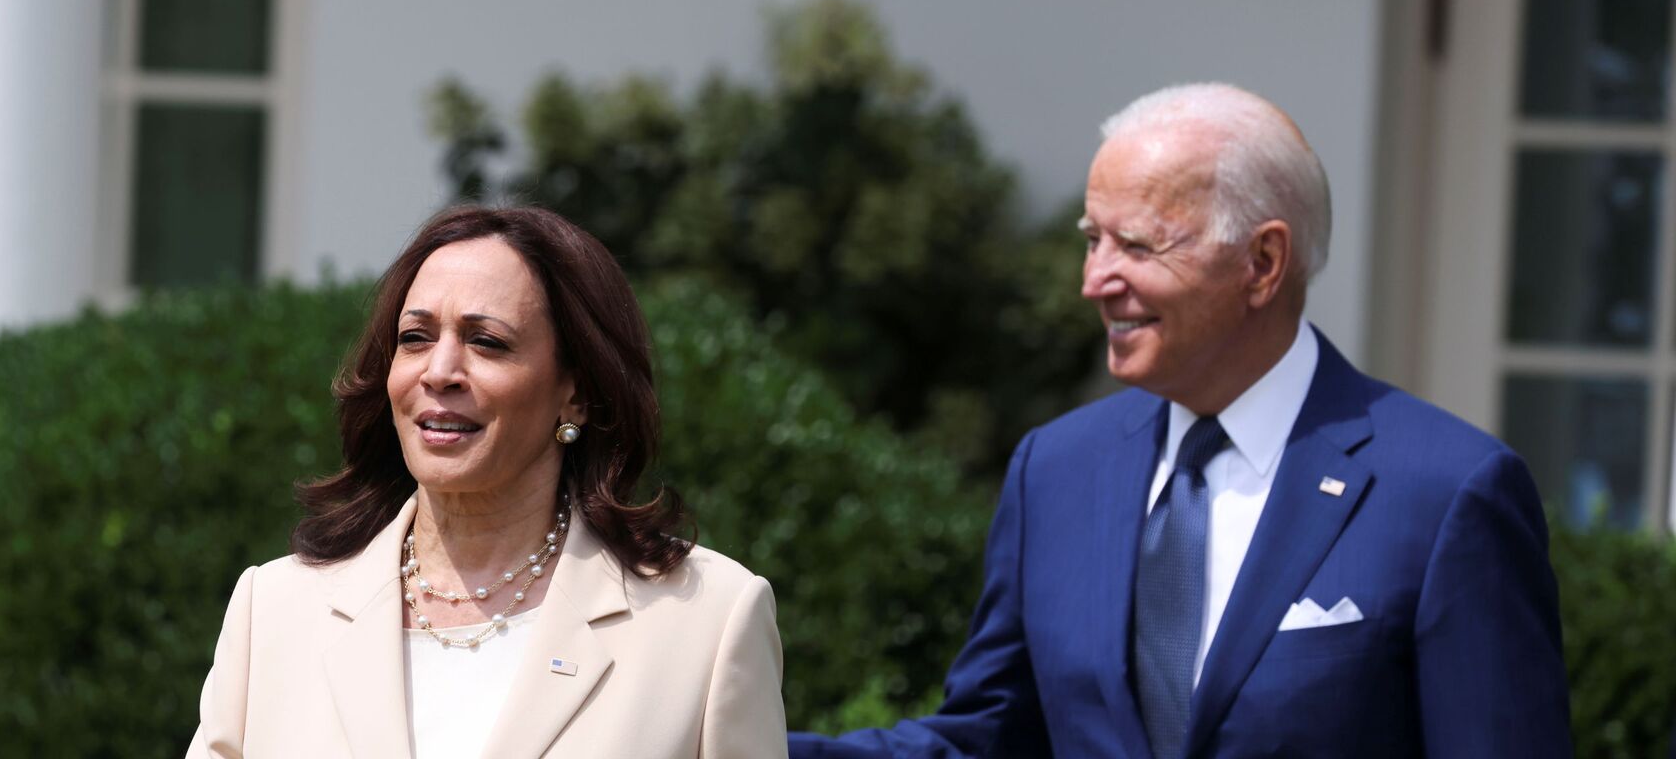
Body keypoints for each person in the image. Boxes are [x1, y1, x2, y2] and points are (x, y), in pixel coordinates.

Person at [791, 84, 1570, 757]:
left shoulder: (1445, 492)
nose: (1096, 280)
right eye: (1092, 239)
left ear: (1262, 264)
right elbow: (993, 740)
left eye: (1137, 244)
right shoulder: (1057, 471)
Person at [187, 206, 787, 758]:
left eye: (487, 342)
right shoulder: (275, 610)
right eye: (415, 338)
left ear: (575, 392)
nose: (440, 371)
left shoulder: (708, 618)